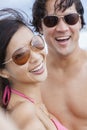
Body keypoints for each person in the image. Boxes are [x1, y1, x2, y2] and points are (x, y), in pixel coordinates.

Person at [0, 8, 68, 130]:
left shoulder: (34, 101)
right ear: (3, 72)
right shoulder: (26, 115)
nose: (36, 57)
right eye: (20, 55)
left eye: (35, 43)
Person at [32, 0, 87, 130]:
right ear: (40, 26)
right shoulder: (30, 78)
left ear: (80, 22)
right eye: (51, 21)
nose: (62, 28)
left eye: (71, 19)